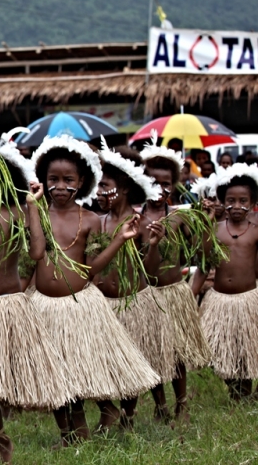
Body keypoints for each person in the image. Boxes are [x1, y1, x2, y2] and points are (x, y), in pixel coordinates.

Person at [27, 135, 159, 447]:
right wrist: (33, 208)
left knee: (77, 371)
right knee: (54, 373)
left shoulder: (90, 220)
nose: (60, 186)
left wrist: (120, 239)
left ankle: (84, 428)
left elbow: (91, 268)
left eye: (68, 179)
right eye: (53, 179)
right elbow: (35, 254)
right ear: (43, 181)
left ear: (82, 181)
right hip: (44, 306)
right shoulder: (36, 213)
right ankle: (67, 433)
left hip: (78, 306)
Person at [0, 133, 71, 464]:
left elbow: (37, 252)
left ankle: (60, 434)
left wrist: (34, 207)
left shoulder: (14, 214)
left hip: (7, 308)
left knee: (0, 385)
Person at [93, 142, 175, 430]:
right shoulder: (97, 222)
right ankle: (112, 411)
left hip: (134, 302)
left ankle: (127, 416)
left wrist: (153, 245)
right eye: (98, 187)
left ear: (124, 188)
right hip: (104, 305)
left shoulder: (139, 223)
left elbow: (150, 271)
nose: (99, 192)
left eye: (105, 186)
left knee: (135, 360)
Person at [141, 136, 214, 422]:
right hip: (148, 295)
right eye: (154, 182)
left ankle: (182, 403)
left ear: (174, 186)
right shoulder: (135, 219)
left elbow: (201, 254)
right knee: (154, 352)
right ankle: (160, 406)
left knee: (178, 353)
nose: (160, 188)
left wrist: (206, 223)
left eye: (166, 183)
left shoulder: (181, 218)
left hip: (174, 293)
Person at [200, 163, 258, 400]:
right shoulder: (215, 229)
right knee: (222, 350)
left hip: (248, 299)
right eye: (231, 200)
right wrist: (207, 221)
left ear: (252, 202)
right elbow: (203, 259)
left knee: (247, 348)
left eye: (243, 200)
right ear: (221, 201)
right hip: (220, 300)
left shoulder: (255, 229)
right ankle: (236, 389)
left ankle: (246, 392)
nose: (236, 206)